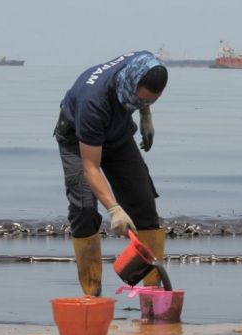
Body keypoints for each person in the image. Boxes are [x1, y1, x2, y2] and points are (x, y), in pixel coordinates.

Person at [53, 51, 168, 296]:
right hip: (77, 138)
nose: (139, 104)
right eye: (138, 100)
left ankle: (152, 297)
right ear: (129, 83)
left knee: (144, 206)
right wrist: (114, 209)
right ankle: (92, 294)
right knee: (84, 210)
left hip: (117, 134)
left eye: (147, 102)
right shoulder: (93, 101)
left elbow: (143, 97)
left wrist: (146, 117)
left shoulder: (145, 63)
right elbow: (90, 166)